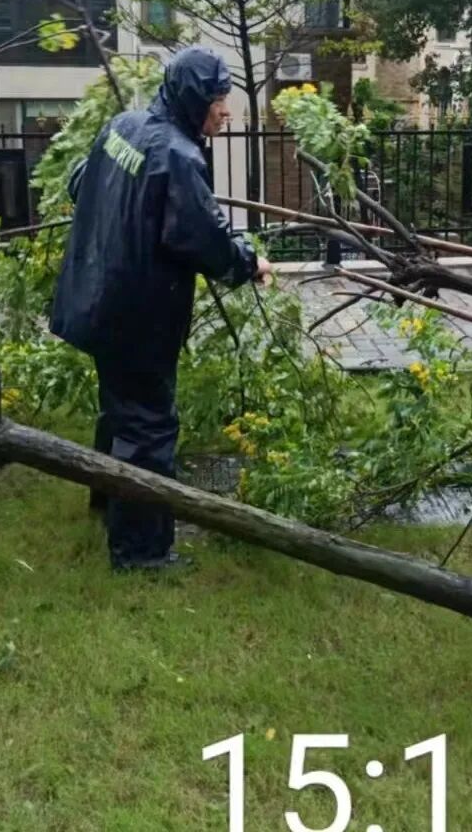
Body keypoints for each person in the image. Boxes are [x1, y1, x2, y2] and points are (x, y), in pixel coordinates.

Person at [51, 46, 271, 571]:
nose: (226, 112)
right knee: (149, 427)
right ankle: (141, 553)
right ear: (195, 99)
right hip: (138, 318)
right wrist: (250, 263)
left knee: (120, 411)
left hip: (98, 300)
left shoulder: (123, 126)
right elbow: (204, 239)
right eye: (219, 100)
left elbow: (80, 181)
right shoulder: (177, 155)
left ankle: (107, 504)